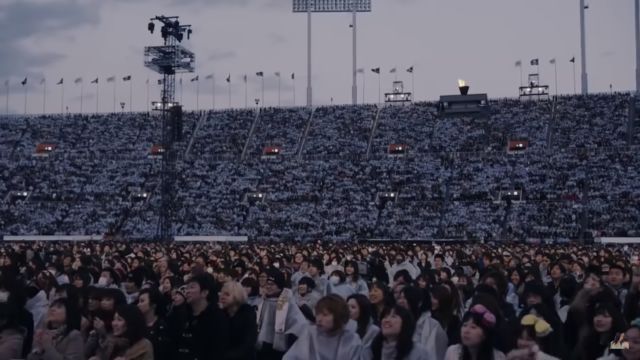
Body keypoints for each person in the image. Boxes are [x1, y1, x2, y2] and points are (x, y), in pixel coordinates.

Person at [283, 294, 362, 360]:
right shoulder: (309, 333)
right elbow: (290, 357)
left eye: (325, 315)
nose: (319, 319)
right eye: (318, 314)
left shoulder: (352, 340)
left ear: (339, 316)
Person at [174, 273, 229, 360]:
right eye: (187, 288)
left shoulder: (217, 318)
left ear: (204, 293)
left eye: (192, 287)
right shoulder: (182, 315)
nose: (187, 291)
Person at [256, 269, 307, 360]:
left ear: (279, 286)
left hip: (281, 346)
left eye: (272, 284)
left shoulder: (287, 301)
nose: (268, 287)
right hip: (263, 344)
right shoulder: (263, 300)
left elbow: (299, 324)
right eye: (267, 284)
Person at [397, 286, 448, 359]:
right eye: (400, 298)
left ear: (418, 302)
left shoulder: (433, 326)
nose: (400, 301)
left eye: (405, 298)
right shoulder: (397, 322)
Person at [88, 304, 153, 360]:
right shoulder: (110, 341)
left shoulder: (143, 345)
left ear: (130, 323)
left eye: (119, 320)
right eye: (114, 319)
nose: (114, 323)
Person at [364, 305, 429, 360]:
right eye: (385, 317)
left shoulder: (418, 352)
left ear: (405, 323)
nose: (387, 320)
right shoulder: (370, 349)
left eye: (393, 316)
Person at [219, 281, 257, 360]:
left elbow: (248, 342)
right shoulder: (221, 314)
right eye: (221, 294)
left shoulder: (248, 313)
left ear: (237, 296)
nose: (222, 297)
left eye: (227, 294)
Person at [136, 288, 172, 360]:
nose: (138, 304)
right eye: (138, 301)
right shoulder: (135, 325)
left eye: (142, 301)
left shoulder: (162, 327)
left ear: (153, 305)